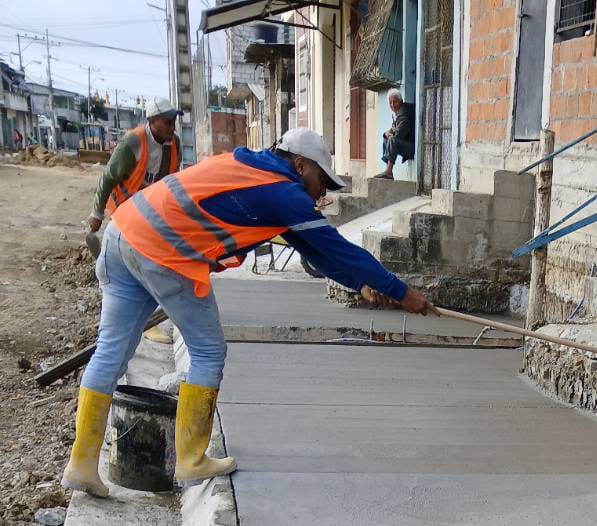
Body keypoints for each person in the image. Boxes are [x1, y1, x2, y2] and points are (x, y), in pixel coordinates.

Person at [62, 128, 436, 498]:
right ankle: (191, 459)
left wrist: (360, 284)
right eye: (322, 181)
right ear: (301, 165)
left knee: (110, 351)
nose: (322, 193)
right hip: (163, 250)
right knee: (208, 352)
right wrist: (403, 293)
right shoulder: (285, 193)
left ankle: (81, 464)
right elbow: (339, 250)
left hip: (122, 231)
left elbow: (317, 252)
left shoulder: (252, 169)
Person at [88, 98, 182, 233]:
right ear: (152, 120)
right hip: (123, 209)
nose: (172, 128)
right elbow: (108, 177)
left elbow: (170, 183)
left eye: (173, 122)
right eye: (167, 123)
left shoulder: (174, 144)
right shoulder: (133, 142)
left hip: (150, 212)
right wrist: (97, 214)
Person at [380, 88, 415, 179]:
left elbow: (400, 133)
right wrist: (386, 134)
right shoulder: (399, 112)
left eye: (394, 102)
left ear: (401, 101)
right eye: (390, 103)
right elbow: (393, 129)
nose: (392, 105)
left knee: (392, 140)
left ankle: (388, 172)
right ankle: (388, 170)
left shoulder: (404, 111)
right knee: (386, 138)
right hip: (407, 145)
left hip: (412, 148)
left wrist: (390, 134)